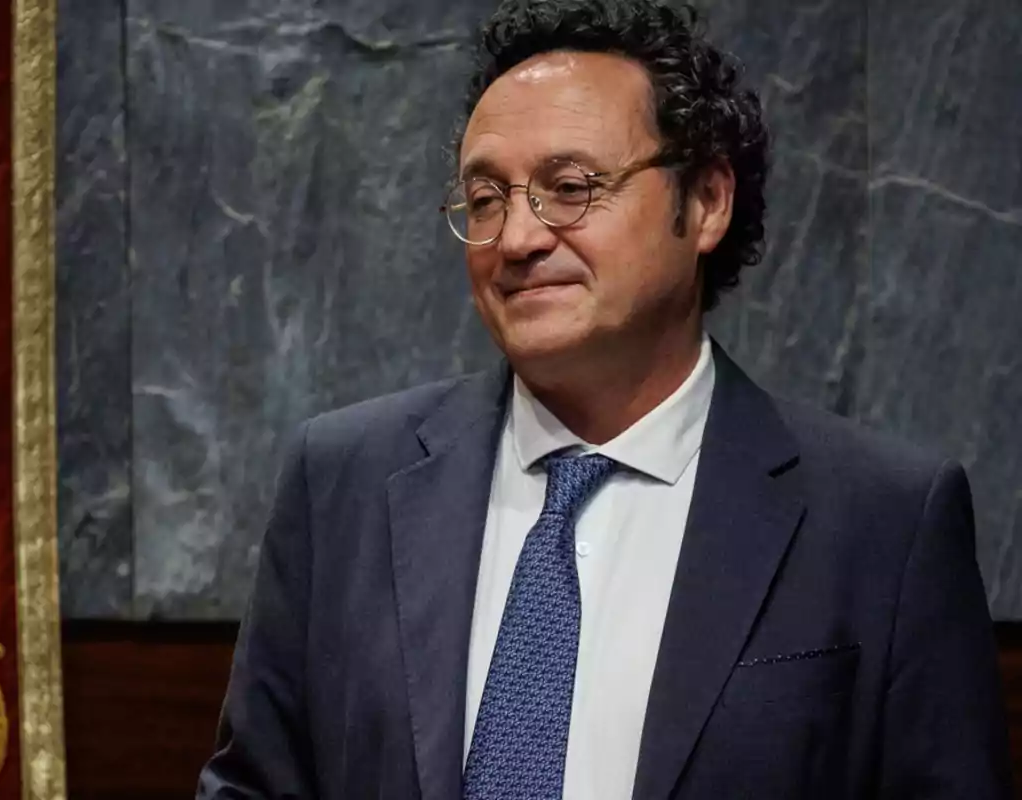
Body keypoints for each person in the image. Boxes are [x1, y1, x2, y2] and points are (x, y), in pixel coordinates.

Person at [196, 0, 1012, 797]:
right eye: (486, 200)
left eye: (572, 186)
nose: (517, 239)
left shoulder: (883, 523)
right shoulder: (342, 482)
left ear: (706, 203)